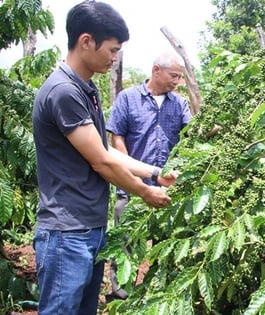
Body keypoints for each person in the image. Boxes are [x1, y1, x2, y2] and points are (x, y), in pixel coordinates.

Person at [32, 1, 178, 314]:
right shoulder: (63, 91)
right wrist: (145, 191)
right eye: (112, 50)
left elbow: (106, 150)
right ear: (86, 42)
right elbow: (102, 161)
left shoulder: (85, 90)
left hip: (88, 228)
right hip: (66, 233)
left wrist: (154, 172)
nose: (115, 58)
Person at [105, 50, 192, 298]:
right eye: (173, 76)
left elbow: (194, 132)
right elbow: (116, 137)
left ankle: (156, 298)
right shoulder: (128, 99)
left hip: (167, 192)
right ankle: (121, 299)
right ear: (156, 70)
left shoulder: (179, 104)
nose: (176, 82)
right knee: (125, 247)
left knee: (164, 248)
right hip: (131, 189)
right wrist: (129, 171)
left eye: (179, 77)